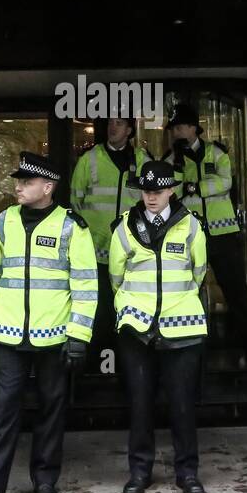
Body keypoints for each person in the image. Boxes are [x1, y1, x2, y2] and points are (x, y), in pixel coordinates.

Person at [0, 152, 98, 493]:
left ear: (48, 187)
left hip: (54, 336)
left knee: (51, 410)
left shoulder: (72, 226)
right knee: (3, 411)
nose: (18, 187)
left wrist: (78, 337)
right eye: (18, 181)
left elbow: (86, 285)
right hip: (8, 334)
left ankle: (45, 481)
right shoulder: (4, 221)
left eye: (26, 182)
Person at [110, 160, 209, 493]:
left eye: (157, 191)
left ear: (171, 190)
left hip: (181, 326)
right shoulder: (124, 227)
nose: (150, 198)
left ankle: (188, 472)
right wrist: (133, 308)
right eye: (145, 191)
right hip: (137, 327)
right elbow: (116, 276)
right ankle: (139, 472)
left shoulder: (191, 226)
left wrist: (173, 303)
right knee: (139, 404)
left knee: (182, 404)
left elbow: (199, 272)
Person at [165, 103, 247, 377]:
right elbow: (170, 190)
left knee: (237, 295)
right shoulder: (171, 159)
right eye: (174, 128)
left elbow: (225, 182)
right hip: (190, 236)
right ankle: (188, 359)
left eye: (180, 127)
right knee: (185, 296)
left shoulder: (217, 152)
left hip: (223, 234)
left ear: (193, 128)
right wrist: (182, 172)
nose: (177, 132)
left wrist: (196, 187)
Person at [69, 115, 152, 355]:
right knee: (100, 308)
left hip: (131, 250)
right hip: (96, 250)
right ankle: (99, 358)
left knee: (129, 307)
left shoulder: (141, 160)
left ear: (129, 130)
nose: (112, 127)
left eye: (119, 123)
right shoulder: (90, 158)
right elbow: (75, 201)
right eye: (110, 123)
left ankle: (125, 359)